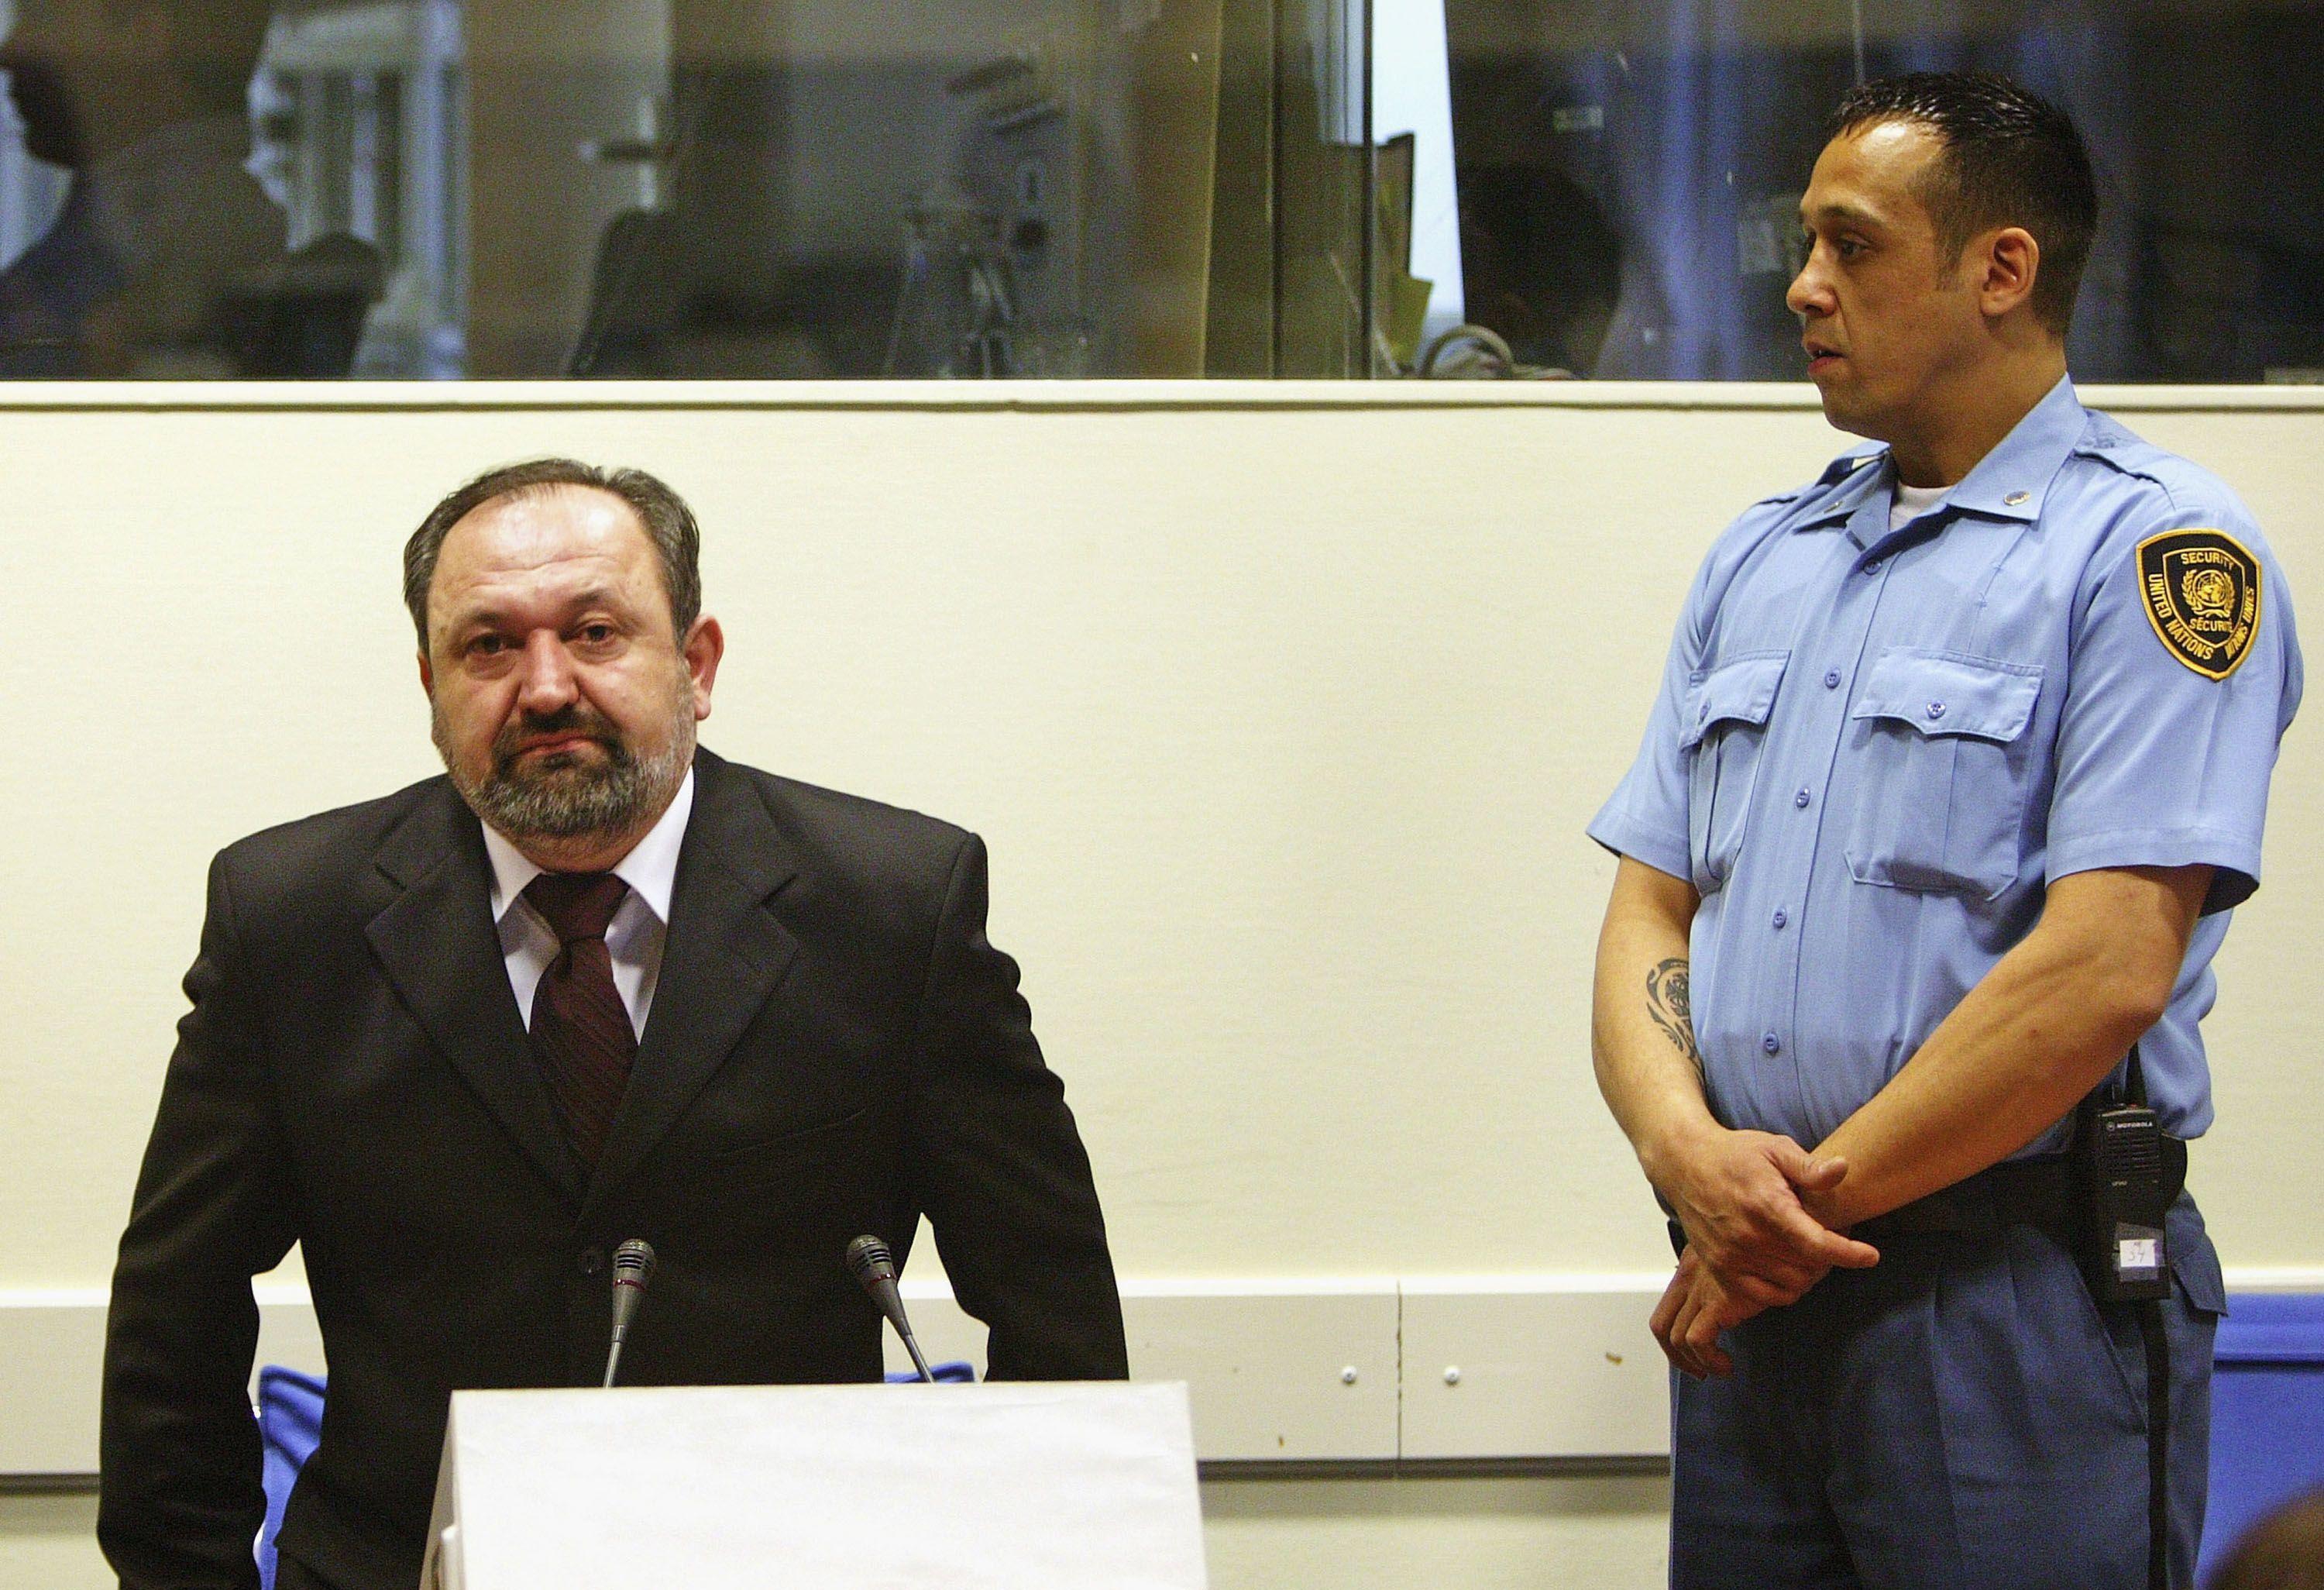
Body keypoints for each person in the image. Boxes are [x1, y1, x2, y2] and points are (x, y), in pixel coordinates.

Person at [98, 459, 1129, 1590]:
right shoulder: (291, 920)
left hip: (790, 1565)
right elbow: (175, 1323)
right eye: (489, 646)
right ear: (431, 687)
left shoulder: (892, 906)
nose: (546, 688)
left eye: (595, 633)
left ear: (697, 663)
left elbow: (1054, 1305)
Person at [1587, 72, 2301, 1588]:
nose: (1804, 285)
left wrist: (1782, 1218)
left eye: (1852, 245)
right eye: (1807, 242)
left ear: (2002, 270)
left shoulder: (2155, 553)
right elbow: (1654, 906)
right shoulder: (1765, 558)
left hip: (2009, 1300)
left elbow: (2104, 967)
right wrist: (1685, 1153)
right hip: (1757, 1289)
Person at [0, 0, 287, 374]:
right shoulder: (142, 222)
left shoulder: (177, 247)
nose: (10, 51)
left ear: (144, 29)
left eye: (43, 16)